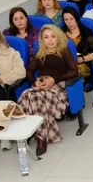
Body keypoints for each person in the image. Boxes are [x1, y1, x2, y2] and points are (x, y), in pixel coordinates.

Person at [18, 25, 77, 156]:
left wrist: (54, 79)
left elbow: (74, 71)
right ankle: (28, 133)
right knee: (25, 95)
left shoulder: (63, 51)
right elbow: (30, 71)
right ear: (42, 39)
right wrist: (35, 81)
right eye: (46, 37)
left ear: (58, 37)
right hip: (40, 85)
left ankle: (41, 138)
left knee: (36, 99)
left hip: (58, 87)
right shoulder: (40, 52)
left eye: (53, 36)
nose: (50, 40)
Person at [62, 7, 93, 88]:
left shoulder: (86, 32)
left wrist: (81, 59)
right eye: (66, 20)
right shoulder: (61, 33)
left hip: (82, 64)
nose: (69, 22)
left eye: (71, 19)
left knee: (68, 77)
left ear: (76, 19)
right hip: (65, 63)